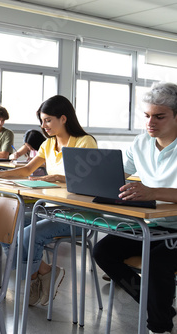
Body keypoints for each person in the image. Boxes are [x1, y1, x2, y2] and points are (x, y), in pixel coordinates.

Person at [0, 95, 97, 306]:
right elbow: (27, 169)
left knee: (28, 234)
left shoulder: (85, 142)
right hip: (51, 209)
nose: (43, 126)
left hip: (78, 213)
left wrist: (60, 178)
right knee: (4, 225)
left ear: (63, 118)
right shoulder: (48, 143)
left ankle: (34, 279)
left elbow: (89, 183)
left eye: (47, 120)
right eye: (42, 121)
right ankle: (41, 274)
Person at [93, 82, 177, 334]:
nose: (151, 122)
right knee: (103, 251)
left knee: (158, 262)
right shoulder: (142, 142)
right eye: (147, 116)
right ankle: (156, 305)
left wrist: (152, 192)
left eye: (159, 116)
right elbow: (121, 175)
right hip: (153, 225)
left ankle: (159, 326)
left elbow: (152, 191)